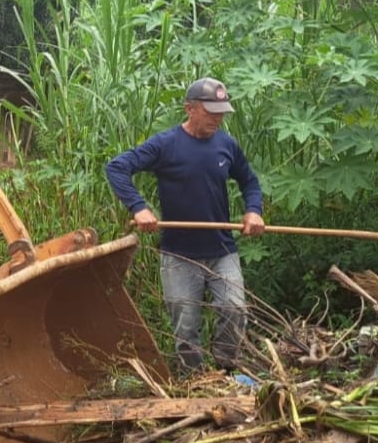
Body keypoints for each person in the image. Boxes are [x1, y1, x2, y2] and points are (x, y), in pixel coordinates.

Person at [105, 77, 266, 373]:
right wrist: (138, 207)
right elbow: (116, 167)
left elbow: (249, 181)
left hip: (222, 250)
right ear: (190, 109)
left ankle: (227, 369)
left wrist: (253, 211)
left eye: (222, 112)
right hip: (179, 254)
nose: (218, 118)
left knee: (234, 308)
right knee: (186, 322)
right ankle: (193, 379)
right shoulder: (166, 145)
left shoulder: (226, 144)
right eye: (211, 111)